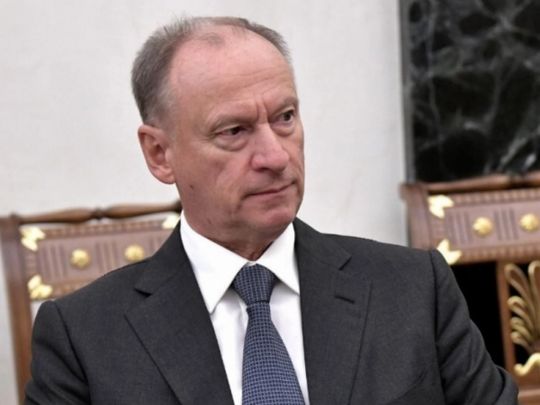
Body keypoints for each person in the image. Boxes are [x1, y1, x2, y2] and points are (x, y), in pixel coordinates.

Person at [25, 16, 518, 405]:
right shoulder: (83, 338)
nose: (275, 156)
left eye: (284, 118)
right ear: (159, 154)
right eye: (234, 131)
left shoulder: (413, 289)